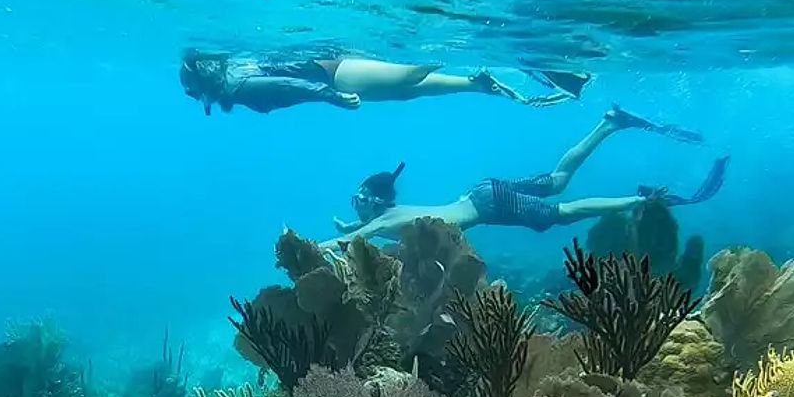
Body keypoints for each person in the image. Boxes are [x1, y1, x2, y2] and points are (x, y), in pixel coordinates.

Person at [323, 105, 728, 250]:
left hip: (490, 205)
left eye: (359, 198)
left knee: (564, 210)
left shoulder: (381, 220)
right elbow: (366, 227)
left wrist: (314, 244)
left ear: (376, 200)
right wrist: (353, 225)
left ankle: (641, 200)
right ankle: (610, 124)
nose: (355, 202)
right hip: (483, 193)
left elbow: (352, 237)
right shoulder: (386, 215)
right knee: (557, 179)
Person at [179, 50, 578, 115]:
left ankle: (518, 61)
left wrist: (333, 97)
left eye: (190, 88)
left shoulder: (239, 87)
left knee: (410, 74)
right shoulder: (236, 80)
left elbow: (288, 86)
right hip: (333, 73)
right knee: (407, 91)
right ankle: (477, 82)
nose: (191, 95)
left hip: (337, 74)